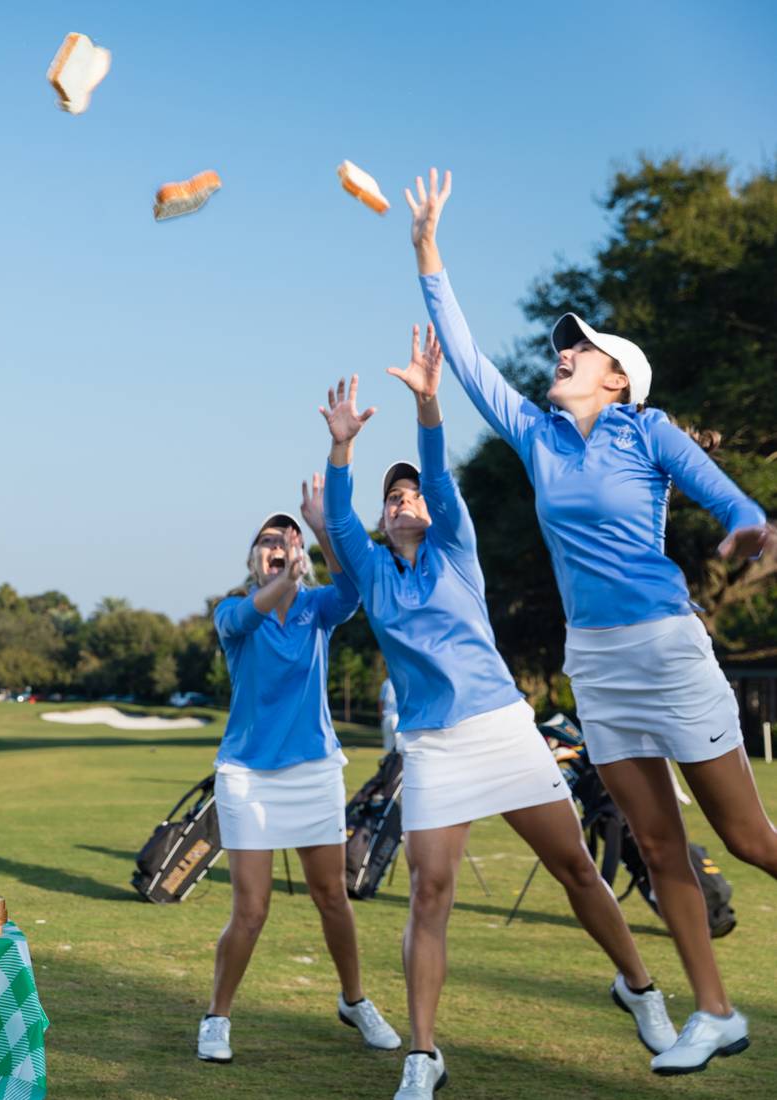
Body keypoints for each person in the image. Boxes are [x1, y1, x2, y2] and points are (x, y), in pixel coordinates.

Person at [408, 167, 777, 1075]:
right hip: (596, 664)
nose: (562, 351)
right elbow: (466, 360)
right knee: (656, 848)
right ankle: (714, 1012)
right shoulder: (534, 435)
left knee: (746, 840)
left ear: (618, 379)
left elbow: (729, 501)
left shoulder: (645, 433)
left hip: (667, 648)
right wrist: (425, 248)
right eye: (563, 345)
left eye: (582, 349)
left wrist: (746, 534)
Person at [321, 339, 675, 1099]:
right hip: (433, 748)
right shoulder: (373, 570)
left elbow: (439, 470)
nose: (402, 501)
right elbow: (340, 527)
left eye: (408, 494)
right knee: (428, 892)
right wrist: (341, 446)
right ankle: (423, 1054)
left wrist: (426, 401)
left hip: (501, 729)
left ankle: (640, 988)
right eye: (392, 499)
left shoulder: (454, 547)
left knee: (575, 867)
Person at [197, 491, 401, 1067]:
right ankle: (217, 1016)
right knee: (252, 909)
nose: (277, 548)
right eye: (267, 540)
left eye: (285, 540)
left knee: (332, 896)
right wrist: (288, 574)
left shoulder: (316, 608)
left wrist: (324, 533)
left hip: (314, 771)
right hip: (247, 776)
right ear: (252, 557)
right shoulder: (233, 611)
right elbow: (258, 609)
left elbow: (355, 591)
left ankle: (354, 1000)